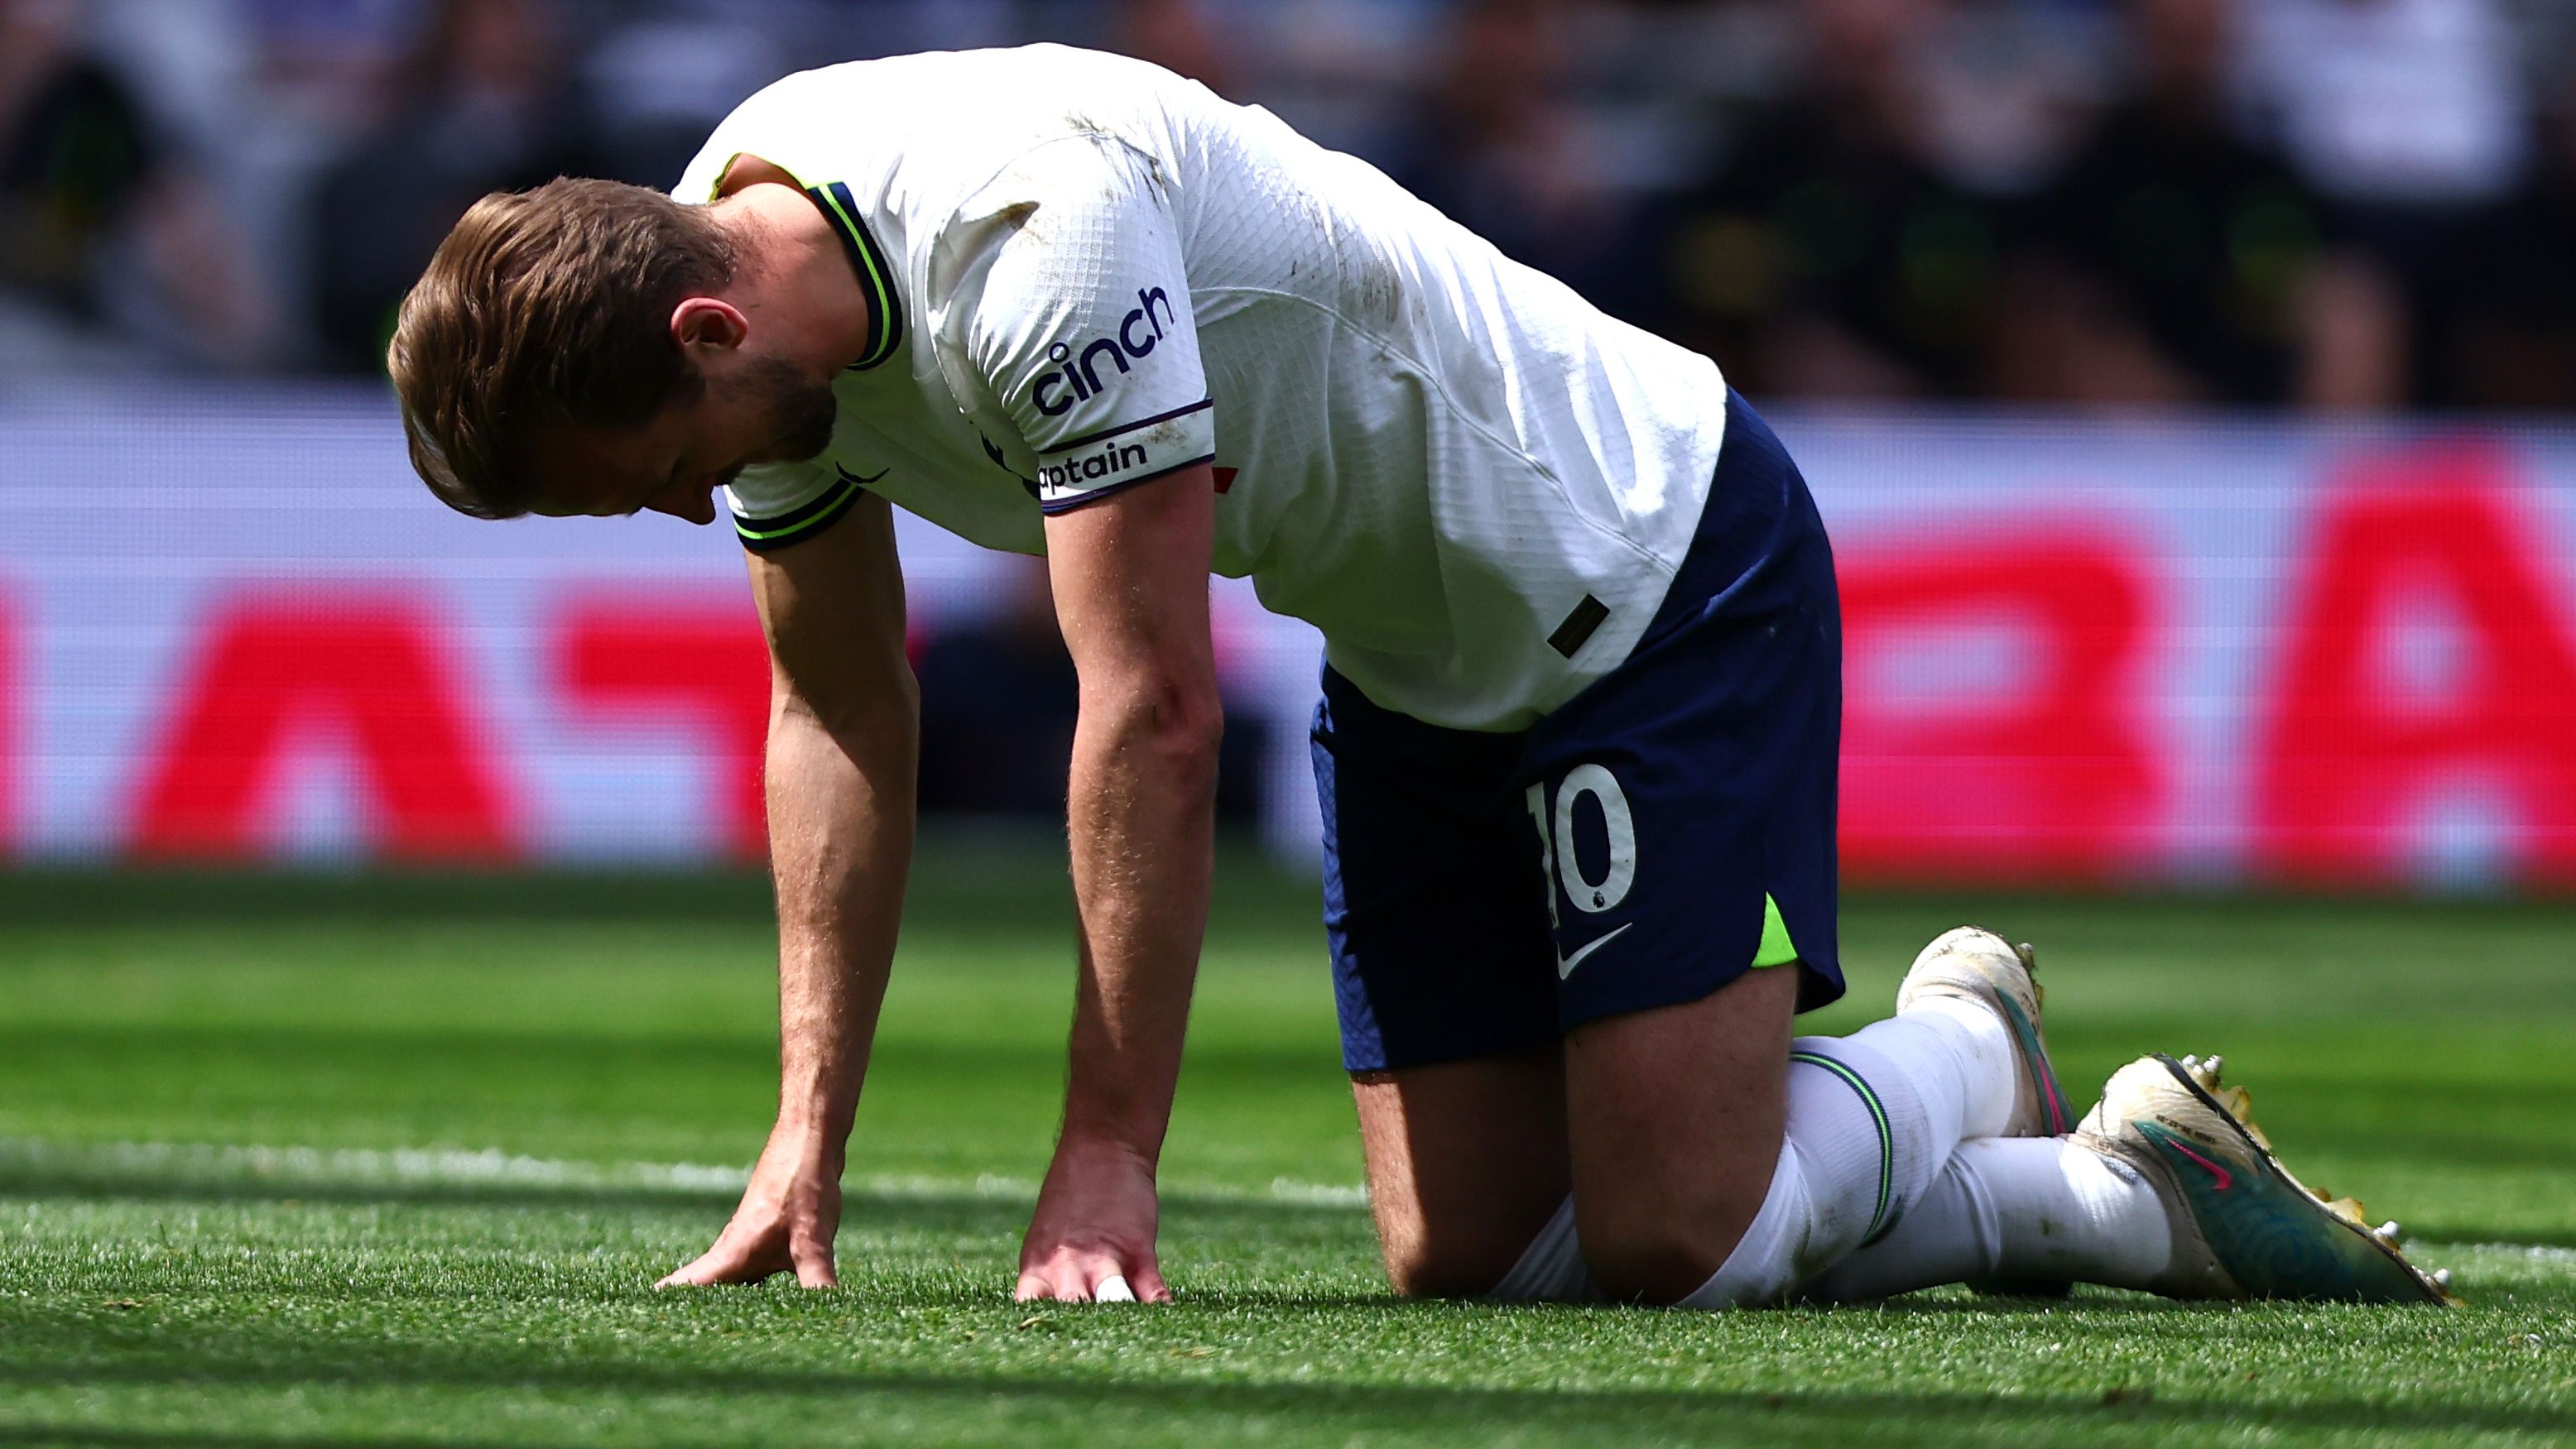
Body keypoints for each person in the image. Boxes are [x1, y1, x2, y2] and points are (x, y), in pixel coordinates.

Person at [386, 46, 2449, 1309]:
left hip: (1647, 560)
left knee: (1667, 1246)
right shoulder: (734, 253)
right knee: (1469, 1260)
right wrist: (797, 1147)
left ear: (701, 340)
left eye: (648, 483)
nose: (676, 519)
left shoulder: (1034, 238)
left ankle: (1974, 1069)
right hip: (1412, 644)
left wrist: (1107, 1153)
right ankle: (2094, 1179)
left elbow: (1157, 713)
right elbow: (834, 712)